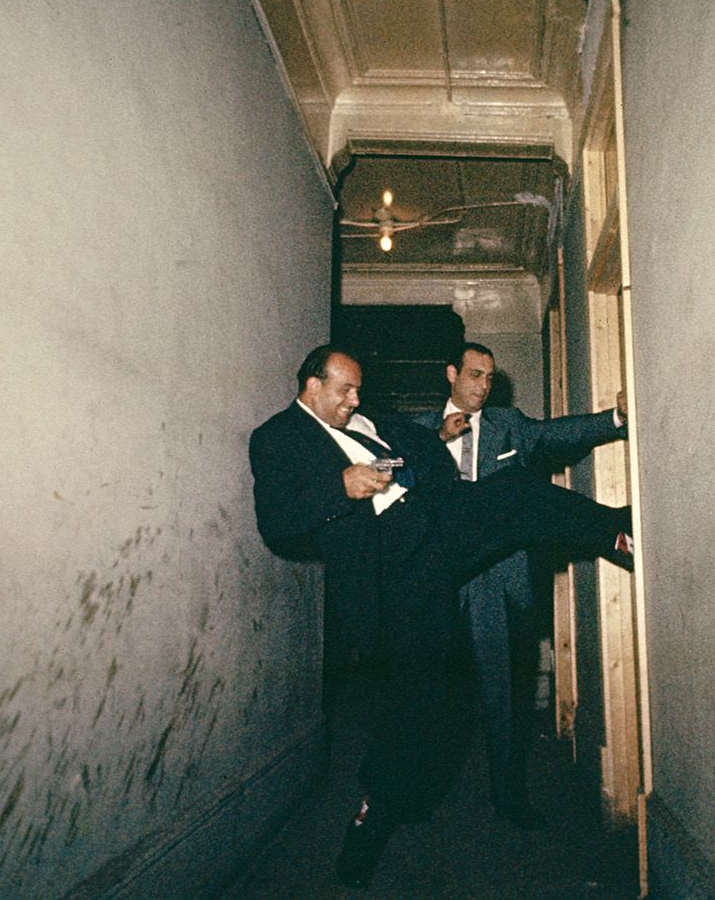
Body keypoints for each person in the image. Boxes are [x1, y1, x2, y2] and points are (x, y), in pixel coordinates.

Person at [248, 344, 633, 887]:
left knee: (516, 492)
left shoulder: (374, 421)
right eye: (346, 390)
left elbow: (417, 455)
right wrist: (342, 485)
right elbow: (277, 520)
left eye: (358, 389)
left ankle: (615, 530)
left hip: (435, 519)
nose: (356, 398)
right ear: (312, 386)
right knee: (418, 700)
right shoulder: (276, 438)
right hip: (393, 565)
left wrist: (423, 461)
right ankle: (373, 817)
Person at [412, 342, 626, 829]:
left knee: (502, 693)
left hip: (496, 581)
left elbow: (558, 433)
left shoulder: (509, 426)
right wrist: (434, 443)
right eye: (474, 375)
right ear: (451, 374)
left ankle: (509, 798)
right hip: (437, 579)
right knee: (429, 694)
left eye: (489, 377)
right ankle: (415, 794)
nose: (483, 385)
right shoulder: (418, 431)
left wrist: (613, 419)